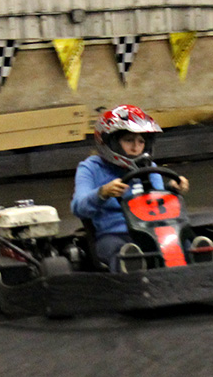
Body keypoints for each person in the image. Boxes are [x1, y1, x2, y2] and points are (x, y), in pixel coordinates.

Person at [71, 105, 189, 272]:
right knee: (122, 252)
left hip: (153, 232)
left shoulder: (149, 167)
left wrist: (172, 190)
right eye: (129, 140)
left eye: (141, 142)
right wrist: (102, 193)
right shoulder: (90, 168)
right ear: (110, 141)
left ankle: (195, 263)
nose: (136, 148)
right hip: (114, 234)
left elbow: (158, 207)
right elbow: (79, 207)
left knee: (183, 243)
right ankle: (131, 277)